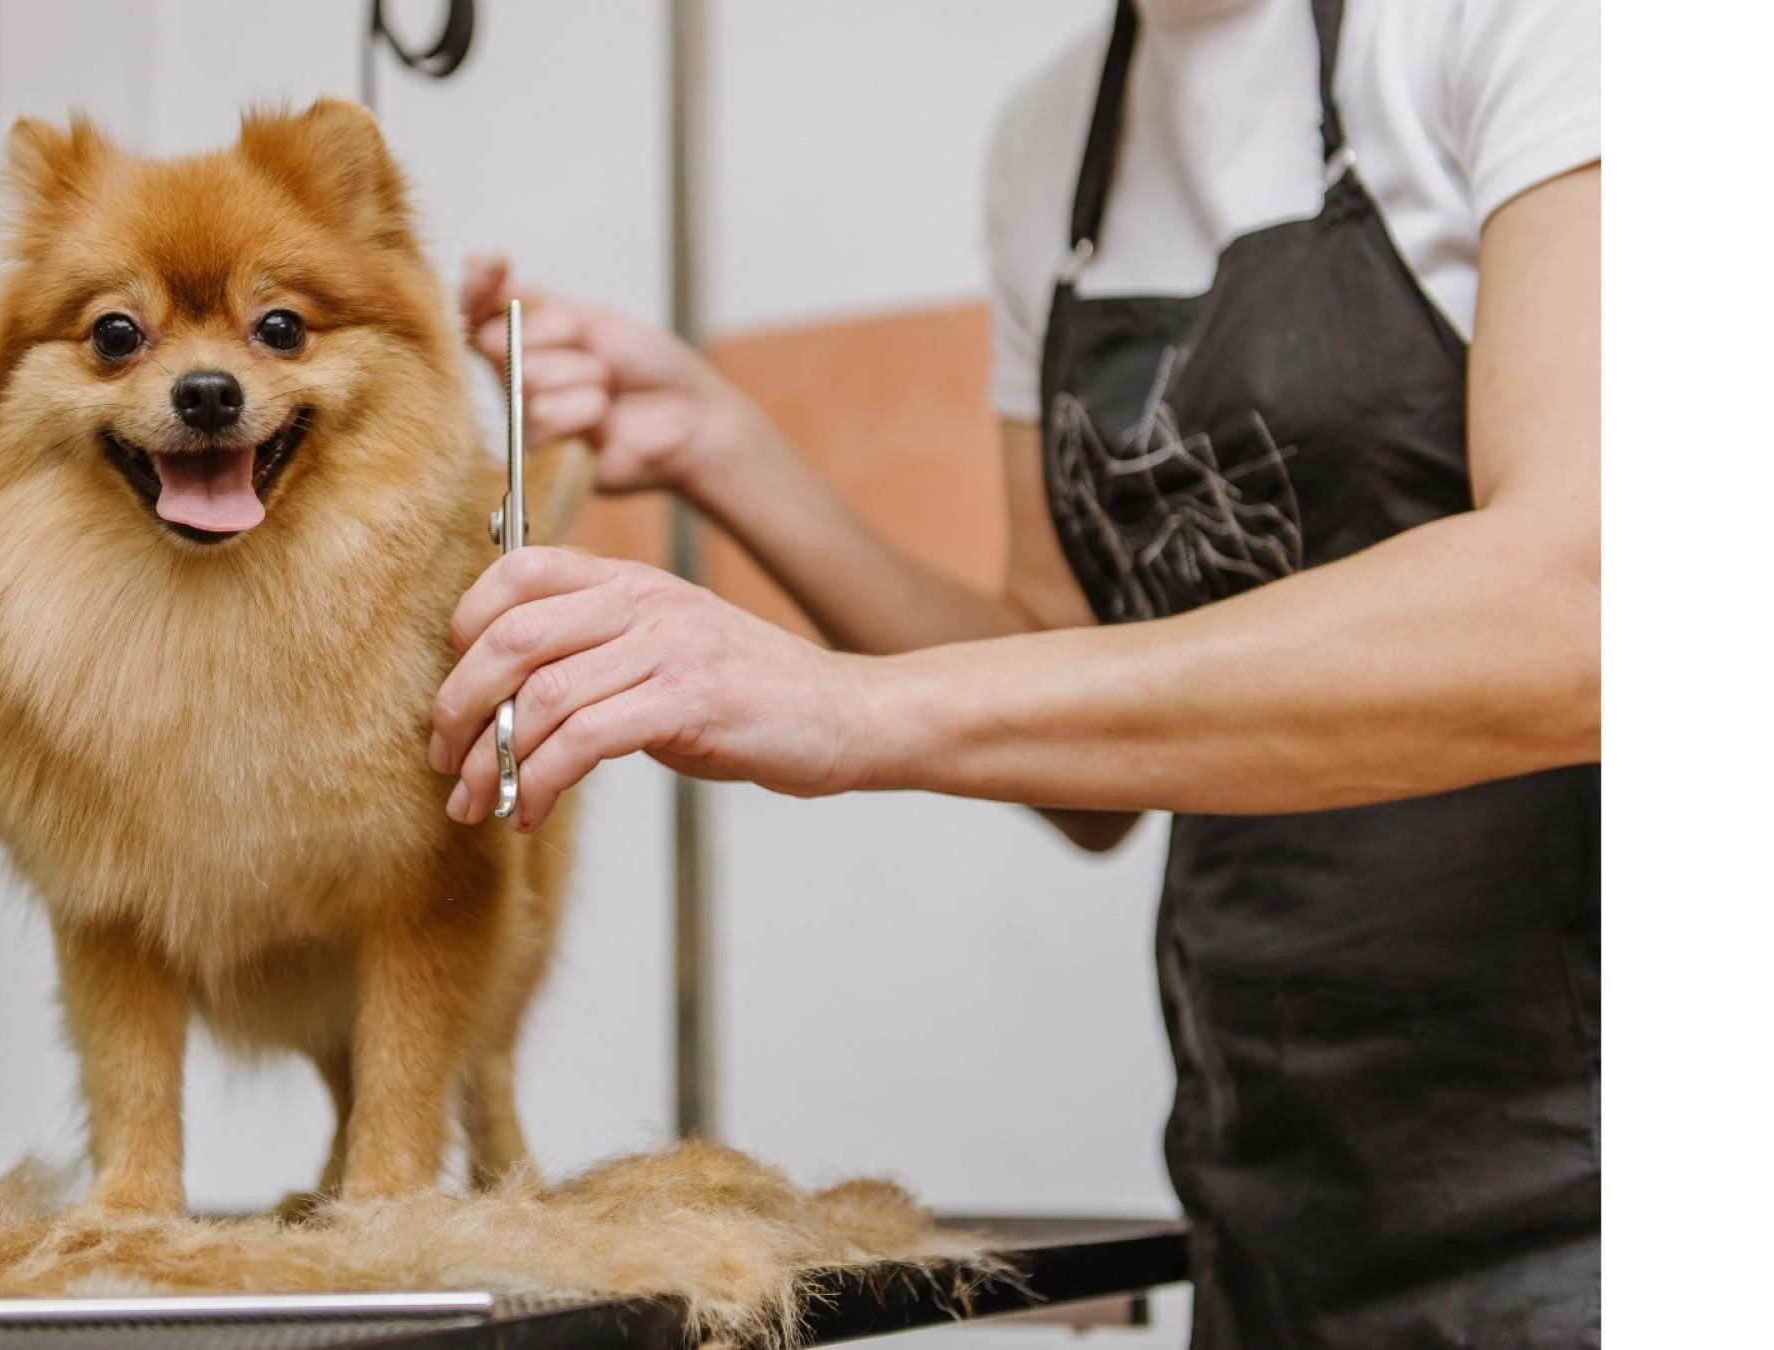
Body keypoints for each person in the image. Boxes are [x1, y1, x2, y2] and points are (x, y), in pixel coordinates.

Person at [429, 0, 1599, 1344]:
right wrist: (720, 442)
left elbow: (1584, 608)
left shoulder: (1518, 24)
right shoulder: (1051, 146)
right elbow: (1074, 717)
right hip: (1272, 1168)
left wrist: (845, 705)